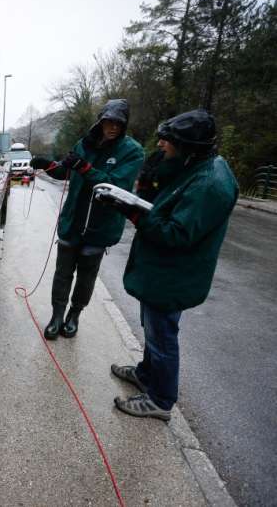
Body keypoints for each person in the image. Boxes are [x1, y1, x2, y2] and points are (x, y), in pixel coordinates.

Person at [101, 109, 238, 421]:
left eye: (169, 140)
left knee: (162, 336)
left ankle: (161, 400)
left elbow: (176, 233)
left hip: (174, 273)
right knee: (153, 328)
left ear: (189, 146)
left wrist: (132, 211)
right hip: (162, 270)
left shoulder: (209, 184)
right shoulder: (194, 165)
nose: (161, 144)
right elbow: (168, 201)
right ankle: (146, 375)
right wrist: (150, 182)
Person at [30, 99, 144, 340]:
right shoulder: (84, 144)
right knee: (62, 273)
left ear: (124, 125)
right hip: (73, 221)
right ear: (100, 121)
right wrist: (48, 165)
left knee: (86, 276)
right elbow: (65, 170)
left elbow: (115, 185)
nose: (112, 127)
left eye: (118, 123)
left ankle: (74, 315)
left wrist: (85, 168)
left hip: (100, 225)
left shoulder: (132, 151)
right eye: (108, 122)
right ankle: (57, 316)